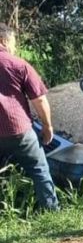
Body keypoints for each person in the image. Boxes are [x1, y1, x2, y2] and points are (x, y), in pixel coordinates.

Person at [0, 23, 59, 212]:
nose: (14, 47)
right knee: (39, 169)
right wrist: (47, 127)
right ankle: (51, 212)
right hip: (18, 130)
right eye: (13, 42)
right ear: (4, 40)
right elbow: (40, 100)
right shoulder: (18, 65)